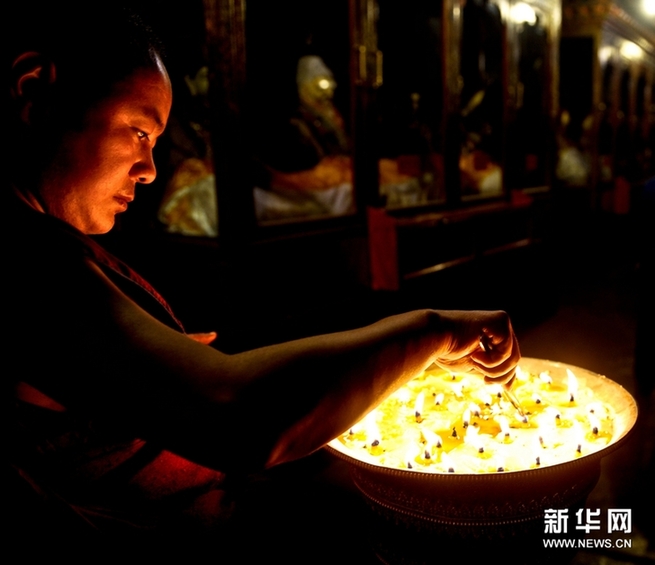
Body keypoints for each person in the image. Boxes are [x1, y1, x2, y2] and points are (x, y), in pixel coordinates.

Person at [4, 1, 520, 548]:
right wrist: (432, 330)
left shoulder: (51, 248)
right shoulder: (21, 257)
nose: (150, 169)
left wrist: (166, 365)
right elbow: (236, 417)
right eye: (139, 131)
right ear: (35, 91)